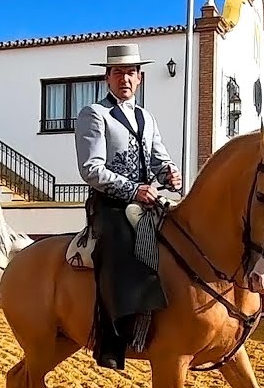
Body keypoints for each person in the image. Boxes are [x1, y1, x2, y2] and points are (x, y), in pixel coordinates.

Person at [73, 43, 182, 370]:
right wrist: (133, 190)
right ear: (107, 78)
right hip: (110, 204)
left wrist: (170, 173)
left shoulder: (147, 117)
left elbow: (158, 159)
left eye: (130, 72)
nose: (125, 78)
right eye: (118, 72)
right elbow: (91, 169)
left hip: (148, 201)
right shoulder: (94, 114)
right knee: (120, 246)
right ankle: (113, 339)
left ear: (140, 78)